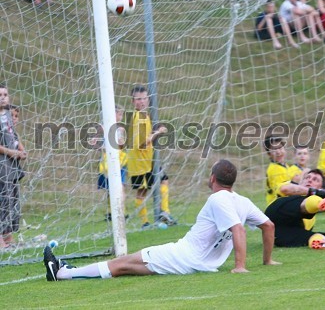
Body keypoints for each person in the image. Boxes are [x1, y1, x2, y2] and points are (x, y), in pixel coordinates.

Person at [43, 159, 280, 281]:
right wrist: (267, 261)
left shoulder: (218, 199)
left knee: (121, 264)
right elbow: (268, 226)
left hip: (183, 256)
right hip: (199, 262)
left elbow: (238, 229)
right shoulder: (243, 201)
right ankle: (67, 271)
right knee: (124, 266)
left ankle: (62, 274)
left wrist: (240, 267)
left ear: (212, 177)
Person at [265, 169, 325, 249]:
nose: (310, 180)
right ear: (302, 181)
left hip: (277, 234)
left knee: (310, 236)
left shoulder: (311, 219)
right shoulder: (291, 185)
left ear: (322, 188)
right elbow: (285, 189)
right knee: (307, 200)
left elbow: (301, 230)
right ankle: (321, 202)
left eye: (315, 180)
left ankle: (324, 242)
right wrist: (316, 192)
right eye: (307, 177)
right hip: (275, 212)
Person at [126, 86, 175, 228]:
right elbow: (142, 143)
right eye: (138, 99)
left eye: (144, 98)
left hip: (148, 160)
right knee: (142, 192)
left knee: (163, 180)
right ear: (133, 101)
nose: (141, 102)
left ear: (148, 100)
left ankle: (164, 212)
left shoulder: (145, 116)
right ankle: (145, 222)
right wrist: (158, 132)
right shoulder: (138, 117)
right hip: (139, 162)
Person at [0, 86, 26, 249]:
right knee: (2, 199)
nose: (3, 97)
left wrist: (21, 149)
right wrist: (11, 152)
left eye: (5, 94)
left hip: (11, 166)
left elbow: (13, 135)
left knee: (12, 198)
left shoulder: (8, 115)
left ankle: (8, 236)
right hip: (1, 164)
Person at [95, 105, 128, 222]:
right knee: (110, 189)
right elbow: (97, 144)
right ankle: (111, 212)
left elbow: (122, 145)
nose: (120, 116)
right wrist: (99, 144)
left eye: (121, 114)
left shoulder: (120, 128)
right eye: (119, 114)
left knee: (121, 186)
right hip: (107, 161)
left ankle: (122, 212)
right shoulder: (102, 128)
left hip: (120, 160)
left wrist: (121, 142)